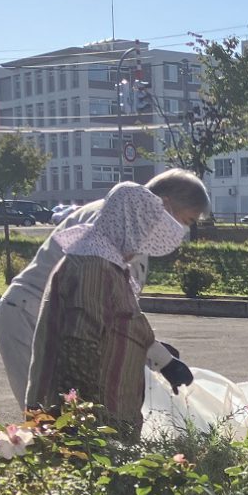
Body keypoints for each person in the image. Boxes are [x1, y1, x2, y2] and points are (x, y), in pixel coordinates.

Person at [0, 169, 210, 409]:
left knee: (64, 418)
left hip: (57, 318)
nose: (182, 230)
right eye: (186, 220)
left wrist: (152, 350)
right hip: (29, 315)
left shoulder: (131, 223)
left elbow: (118, 306)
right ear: (165, 205)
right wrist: (158, 357)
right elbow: (106, 307)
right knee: (47, 417)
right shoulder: (112, 225)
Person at [24, 182, 191, 436]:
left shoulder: (106, 263)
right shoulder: (92, 267)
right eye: (143, 232)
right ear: (129, 226)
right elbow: (78, 346)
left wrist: (164, 360)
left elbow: (119, 323)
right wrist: (81, 423)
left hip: (109, 417)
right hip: (93, 427)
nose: (143, 243)